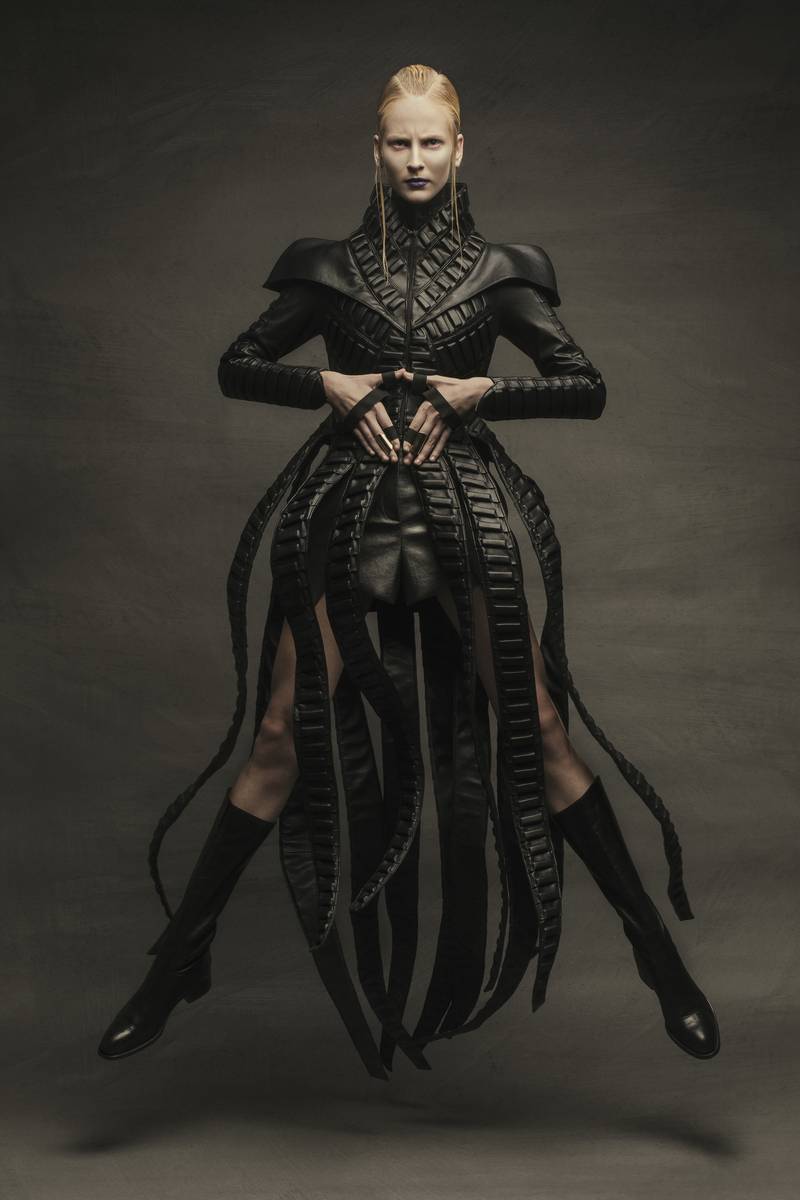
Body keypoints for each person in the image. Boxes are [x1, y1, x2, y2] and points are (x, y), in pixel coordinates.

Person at [97, 64, 720, 1078]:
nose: (417, 159)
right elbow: (235, 364)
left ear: (459, 149)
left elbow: (585, 386)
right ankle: (179, 963)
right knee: (280, 733)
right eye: (400, 142)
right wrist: (326, 384)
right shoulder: (325, 267)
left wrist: (481, 392)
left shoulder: (505, 271)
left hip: (457, 521)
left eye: (433, 142)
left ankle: (658, 959)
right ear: (376, 151)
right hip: (344, 521)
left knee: (539, 728)